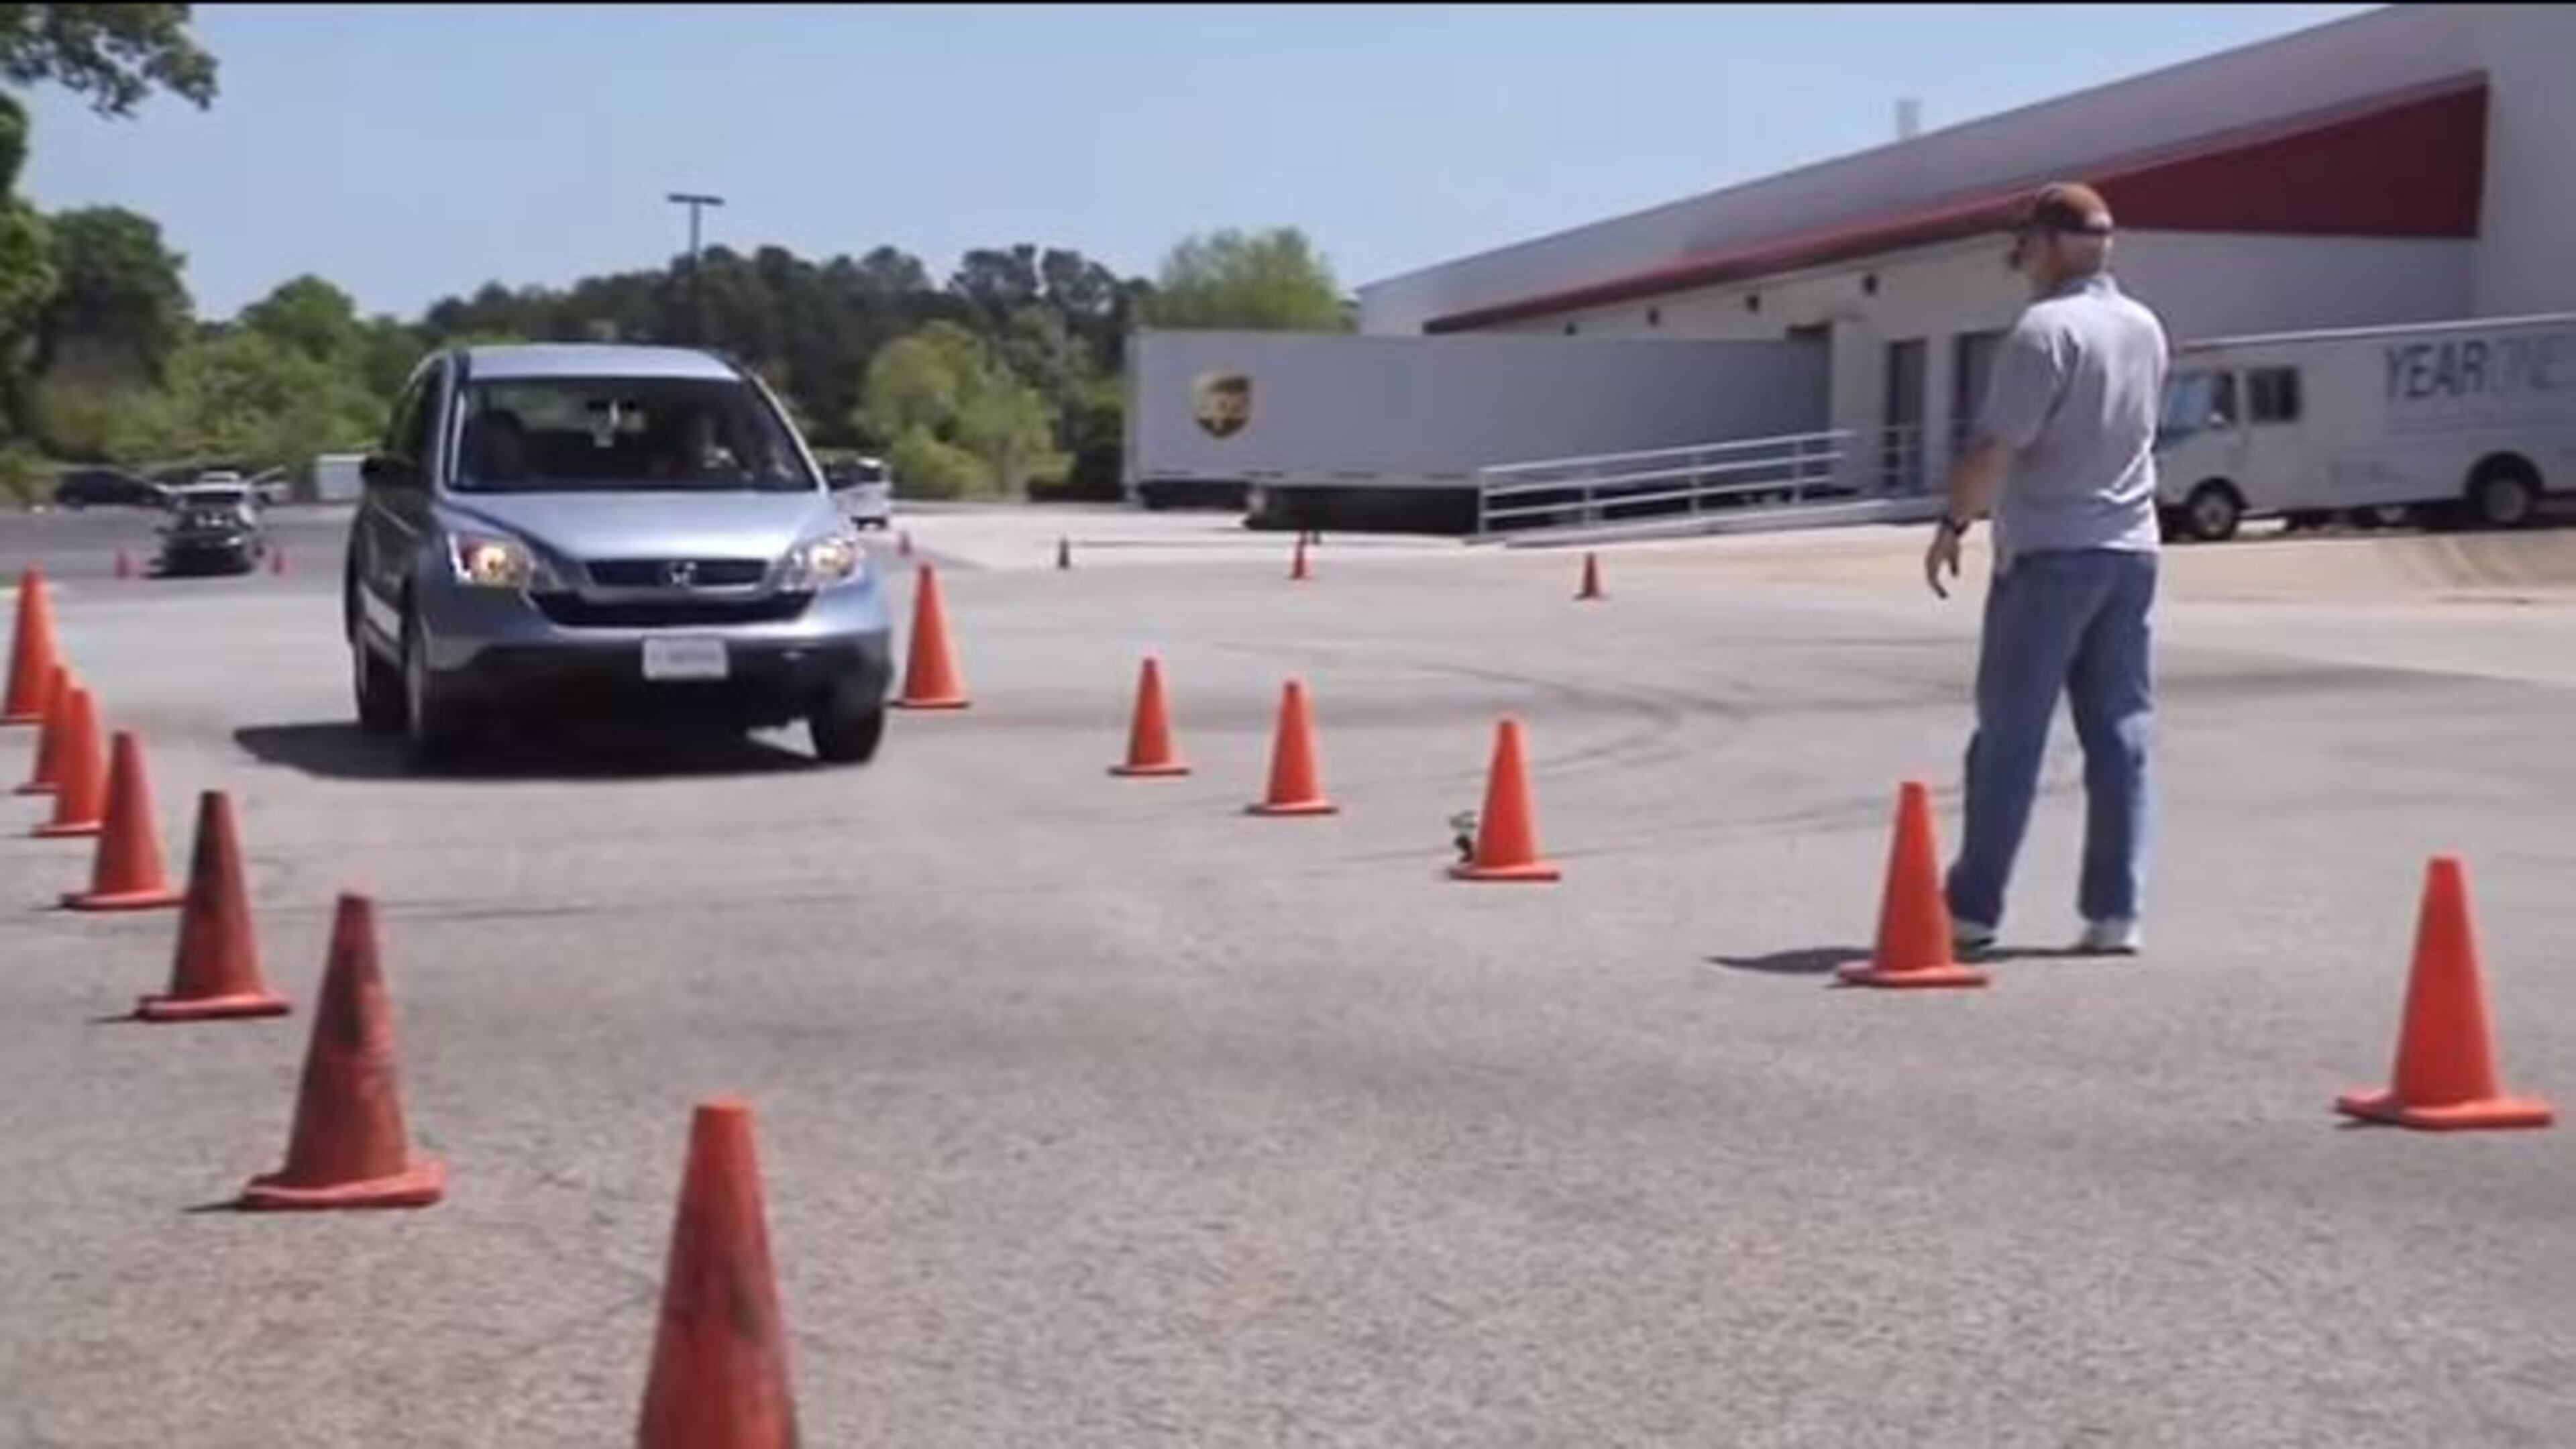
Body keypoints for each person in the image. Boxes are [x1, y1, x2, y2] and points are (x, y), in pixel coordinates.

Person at [1921, 181, 2169, 957]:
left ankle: (1973, 909)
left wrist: (1953, 523)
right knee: (2121, 732)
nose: (2021, 258)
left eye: (2026, 243)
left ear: (2056, 243)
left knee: (2010, 736)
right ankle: (2116, 911)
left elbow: (1996, 447)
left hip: (2051, 555)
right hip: (2131, 550)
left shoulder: (2045, 331)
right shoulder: (2145, 327)